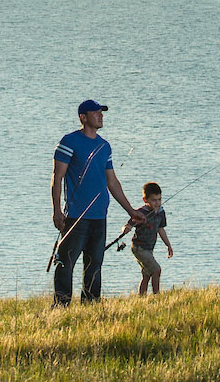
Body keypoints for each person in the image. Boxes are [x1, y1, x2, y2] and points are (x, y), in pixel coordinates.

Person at [51, 99, 146, 307]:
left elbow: (112, 181)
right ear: (83, 118)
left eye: (101, 112)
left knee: (95, 264)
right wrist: (57, 211)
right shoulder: (69, 142)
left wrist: (131, 210)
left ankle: (91, 306)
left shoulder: (104, 146)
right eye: (95, 112)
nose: (100, 115)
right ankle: (61, 305)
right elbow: (57, 177)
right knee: (65, 262)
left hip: (99, 215)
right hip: (76, 215)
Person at [120, 182, 173, 295]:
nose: (157, 203)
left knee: (147, 274)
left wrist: (168, 245)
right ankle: (156, 295)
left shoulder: (161, 212)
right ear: (145, 200)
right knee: (156, 270)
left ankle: (142, 297)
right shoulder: (140, 213)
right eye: (154, 200)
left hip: (149, 248)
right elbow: (128, 225)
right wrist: (125, 229)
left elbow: (161, 229)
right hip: (139, 248)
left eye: (159, 199)